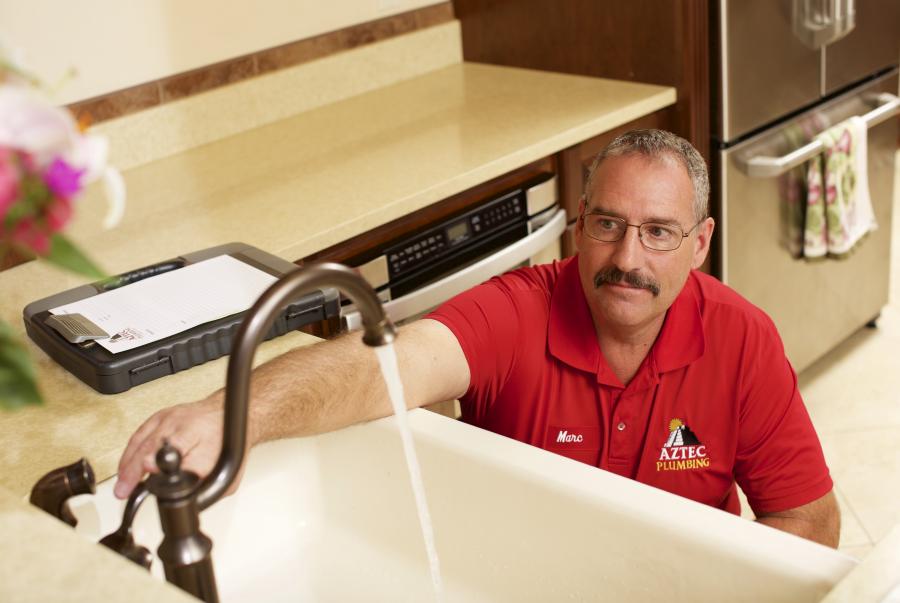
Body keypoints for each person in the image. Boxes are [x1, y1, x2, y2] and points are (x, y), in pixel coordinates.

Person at [115, 130, 840, 547]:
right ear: (578, 223)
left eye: (658, 233)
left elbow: (807, 517)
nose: (627, 259)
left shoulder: (743, 338)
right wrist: (230, 413)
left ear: (700, 242)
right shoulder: (516, 312)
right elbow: (383, 368)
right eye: (609, 224)